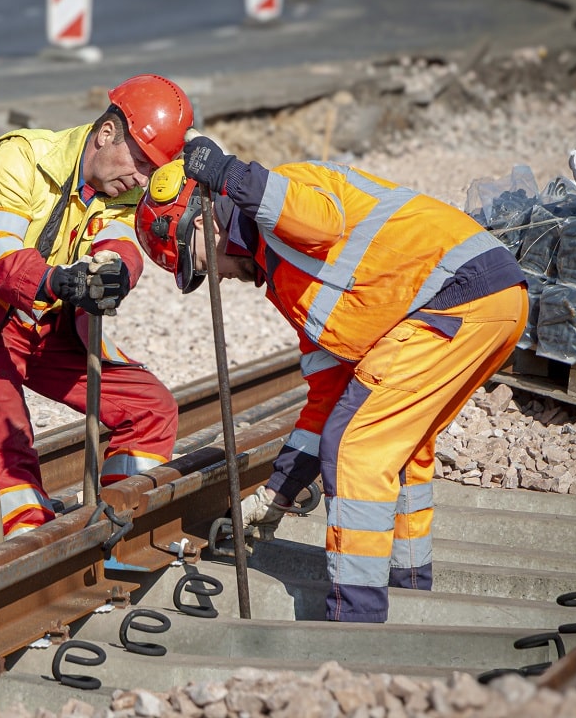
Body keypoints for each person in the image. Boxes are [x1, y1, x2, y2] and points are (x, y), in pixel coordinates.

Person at [135, 139, 528, 623]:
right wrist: (275, 496)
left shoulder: (288, 193)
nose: (213, 277)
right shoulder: (288, 283)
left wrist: (228, 173)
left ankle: (356, 621)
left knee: (354, 449)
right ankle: (411, 594)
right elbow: (326, 397)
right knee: (400, 449)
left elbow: (319, 221)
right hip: (486, 302)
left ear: (201, 223)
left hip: (459, 296)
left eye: (197, 263)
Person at [0, 74, 193, 539]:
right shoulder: (16, 159)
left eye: (150, 170)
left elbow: (117, 241)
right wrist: (58, 280)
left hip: (42, 320)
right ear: (106, 133)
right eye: (139, 162)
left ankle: (122, 529)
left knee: (151, 410)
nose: (141, 179)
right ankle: (30, 545)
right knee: (7, 437)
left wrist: (118, 271)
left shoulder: (124, 187)